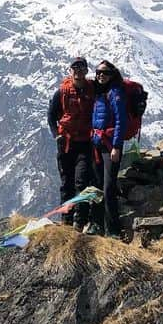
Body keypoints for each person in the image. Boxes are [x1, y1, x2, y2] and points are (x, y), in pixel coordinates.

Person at [47, 57, 95, 228]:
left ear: (86, 71)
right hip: (66, 143)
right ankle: (66, 220)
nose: (78, 72)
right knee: (66, 183)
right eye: (75, 69)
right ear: (71, 71)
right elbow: (51, 116)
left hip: (85, 143)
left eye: (81, 69)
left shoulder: (93, 89)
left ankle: (79, 221)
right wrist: (56, 135)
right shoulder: (62, 92)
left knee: (81, 182)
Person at [90, 59, 127, 237]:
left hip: (110, 145)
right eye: (98, 72)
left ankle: (113, 230)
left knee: (108, 187)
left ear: (112, 75)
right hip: (97, 143)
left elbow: (121, 121)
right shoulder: (99, 93)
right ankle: (97, 225)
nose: (100, 75)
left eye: (104, 72)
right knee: (96, 186)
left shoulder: (115, 93)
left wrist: (117, 146)